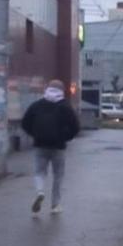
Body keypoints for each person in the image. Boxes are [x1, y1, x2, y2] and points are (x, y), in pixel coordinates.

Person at [21, 79, 80, 214]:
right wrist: (66, 137)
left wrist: (35, 134)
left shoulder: (37, 105)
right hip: (58, 147)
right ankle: (55, 205)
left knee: (39, 172)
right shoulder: (65, 106)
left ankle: (40, 191)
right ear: (62, 91)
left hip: (40, 145)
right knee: (58, 176)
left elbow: (25, 123)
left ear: (47, 89)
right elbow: (75, 127)